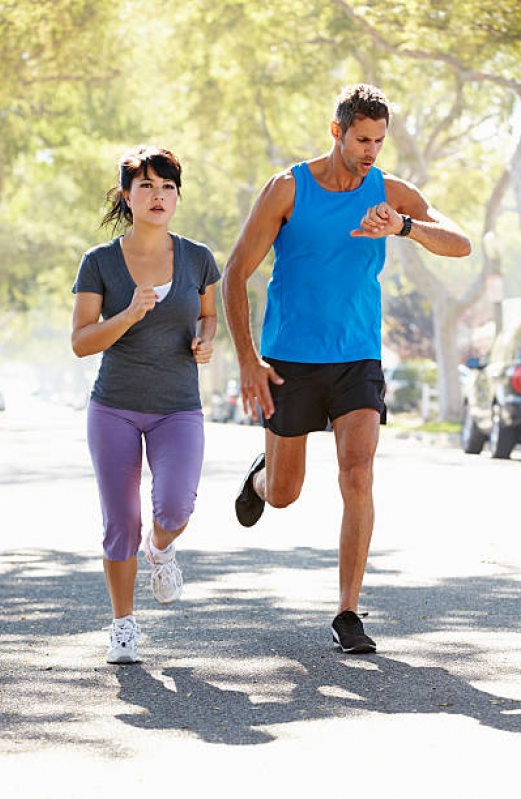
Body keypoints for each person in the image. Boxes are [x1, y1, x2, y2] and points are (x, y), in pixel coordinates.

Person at [222, 84, 471, 654]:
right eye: (362, 139)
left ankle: (348, 612)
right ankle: (262, 475)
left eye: (379, 141)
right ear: (336, 131)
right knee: (286, 494)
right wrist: (247, 359)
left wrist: (403, 228)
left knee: (357, 475)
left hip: (358, 356)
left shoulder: (390, 192)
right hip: (289, 357)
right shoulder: (289, 188)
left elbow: (460, 245)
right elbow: (235, 272)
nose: (371, 151)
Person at [72, 145, 220, 664]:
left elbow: (208, 316)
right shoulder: (99, 263)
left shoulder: (198, 257)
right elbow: (82, 341)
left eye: (168, 188)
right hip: (114, 405)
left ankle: (161, 550)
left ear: (177, 196)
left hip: (178, 405)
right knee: (120, 521)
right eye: (147, 187)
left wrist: (206, 339)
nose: (159, 197)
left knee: (176, 506)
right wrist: (129, 314)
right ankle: (123, 626)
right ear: (127, 196)